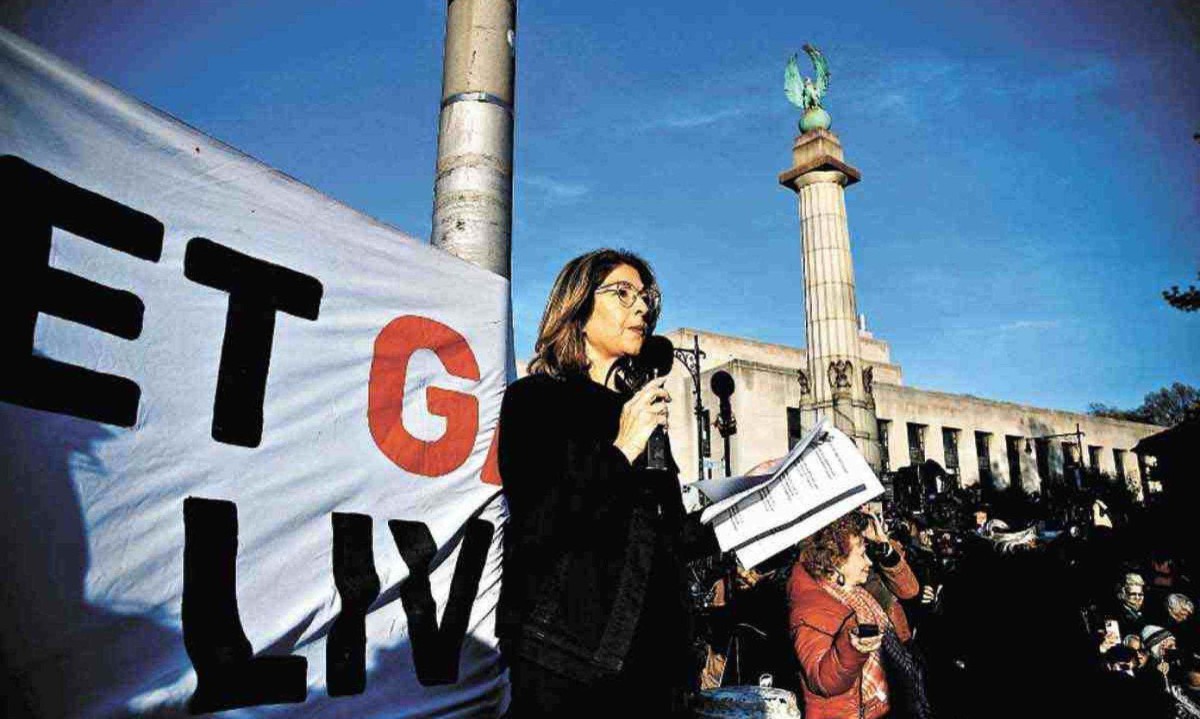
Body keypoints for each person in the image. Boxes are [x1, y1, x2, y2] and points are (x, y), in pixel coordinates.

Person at [496, 249, 717, 717]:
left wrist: (755, 504)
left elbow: (672, 536)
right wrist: (621, 449)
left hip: (659, 668)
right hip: (569, 665)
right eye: (623, 294)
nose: (641, 308)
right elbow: (541, 525)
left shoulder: (637, 411)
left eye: (646, 298)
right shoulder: (535, 401)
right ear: (577, 307)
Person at [787, 511, 928, 719]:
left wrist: (882, 543)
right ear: (836, 562)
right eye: (862, 555)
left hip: (891, 699)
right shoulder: (813, 607)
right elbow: (822, 678)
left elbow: (909, 589)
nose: (868, 562)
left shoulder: (856, 591)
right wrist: (852, 648)